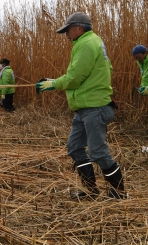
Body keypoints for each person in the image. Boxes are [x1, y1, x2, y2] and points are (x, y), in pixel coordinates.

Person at [36, 12, 126, 199]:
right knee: (75, 147)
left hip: (94, 107)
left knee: (98, 152)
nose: (66, 35)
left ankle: (119, 192)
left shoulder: (86, 44)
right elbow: (102, 70)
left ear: (79, 28)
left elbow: (75, 78)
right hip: (84, 107)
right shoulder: (93, 42)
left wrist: (53, 84)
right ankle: (91, 191)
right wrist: (55, 81)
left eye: (68, 30)